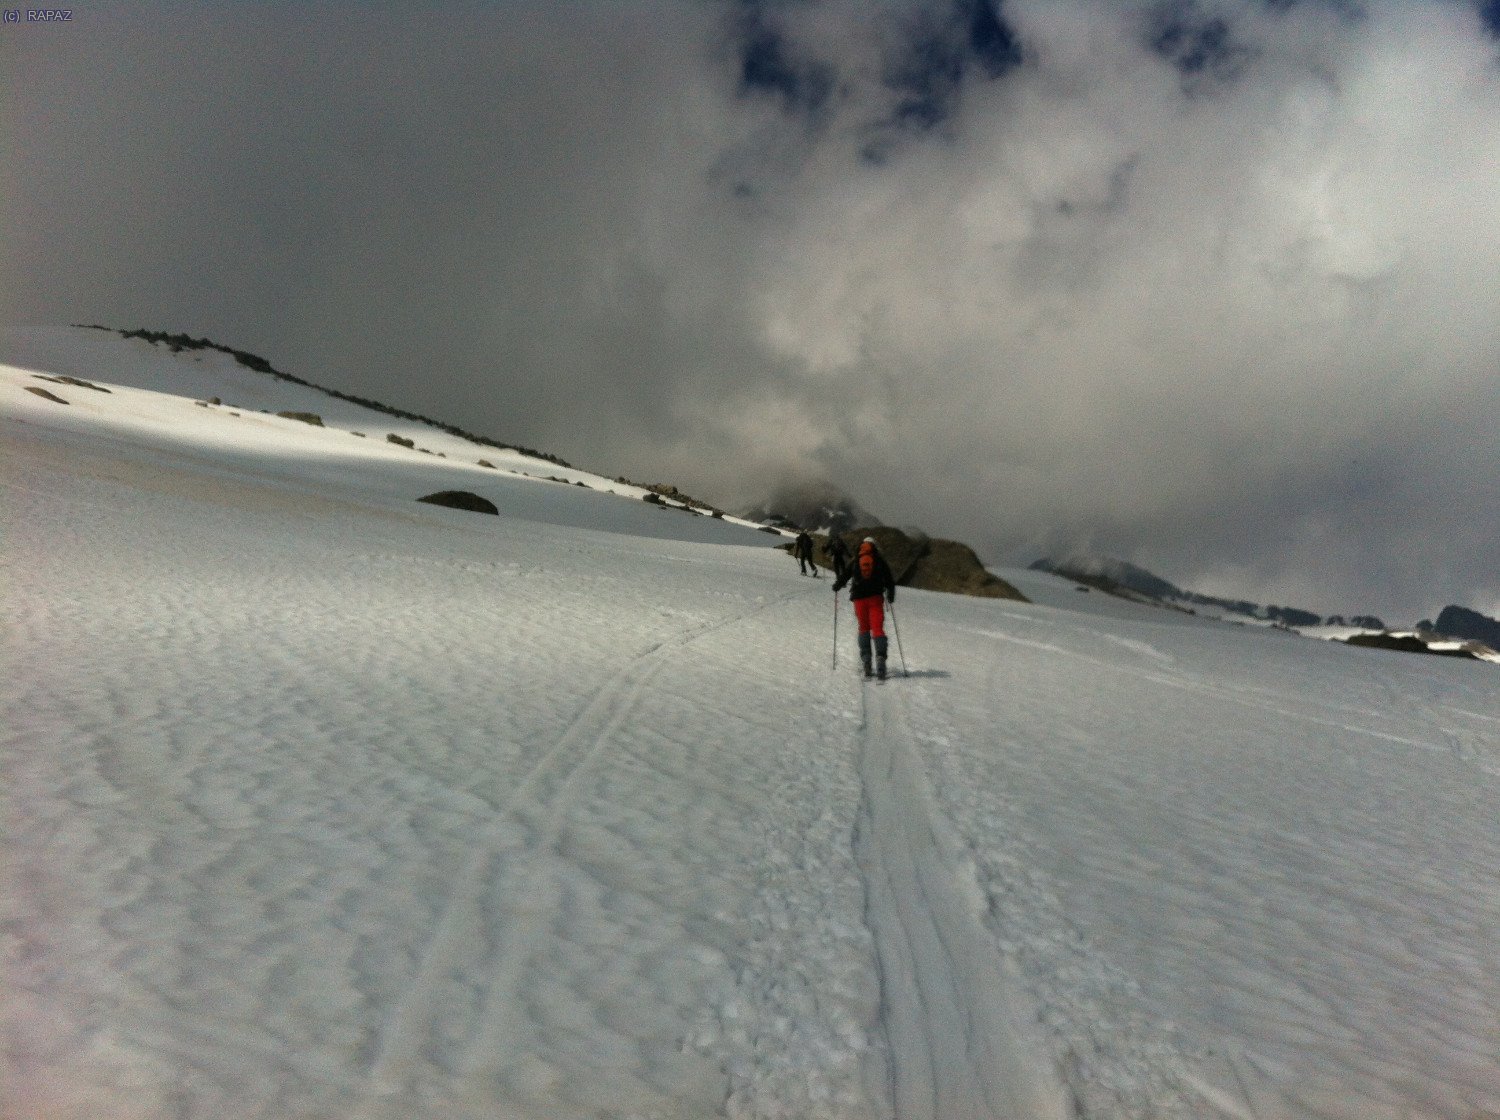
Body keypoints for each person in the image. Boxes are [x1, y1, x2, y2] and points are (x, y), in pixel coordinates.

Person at [833, 537, 896, 679]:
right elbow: (889, 580)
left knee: (864, 628)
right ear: (874, 546)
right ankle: (880, 658)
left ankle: (866, 659)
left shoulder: (856, 559)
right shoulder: (879, 560)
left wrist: (837, 586)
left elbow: (845, 575)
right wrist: (891, 596)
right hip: (875, 598)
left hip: (859, 599)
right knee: (878, 628)